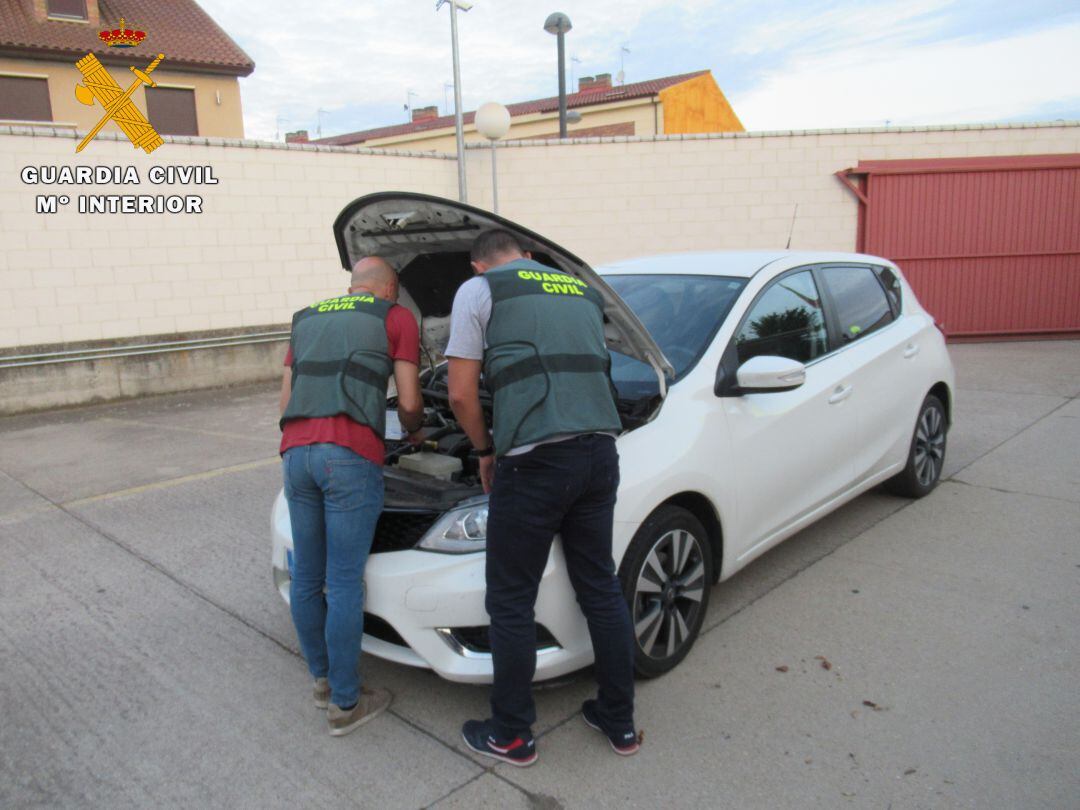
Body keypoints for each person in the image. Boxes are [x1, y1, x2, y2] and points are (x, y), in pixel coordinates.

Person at [445, 229, 640, 766]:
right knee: (600, 585)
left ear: (478, 265)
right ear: (529, 258)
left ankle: (511, 733)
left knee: (510, 599)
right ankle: (619, 721)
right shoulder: (578, 288)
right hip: (600, 452)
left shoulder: (480, 290)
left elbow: (460, 392)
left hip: (534, 463)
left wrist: (485, 450)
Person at [279, 256, 424, 737]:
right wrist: (415, 431)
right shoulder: (395, 317)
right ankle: (346, 702)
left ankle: (321, 682)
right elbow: (407, 400)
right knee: (343, 583)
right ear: (389, 288)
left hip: (296, 455)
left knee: (307, 576)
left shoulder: (306, 318)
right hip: (347, 457)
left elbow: (286, 401)